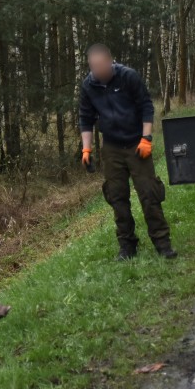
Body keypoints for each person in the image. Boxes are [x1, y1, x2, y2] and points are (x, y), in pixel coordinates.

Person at [79, 44, 177, 260]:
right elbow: (86, 118)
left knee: (149, 194)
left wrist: (146, 138)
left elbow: (146, 106)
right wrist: (86, 148)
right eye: (93, 67)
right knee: (117, 197)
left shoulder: (128, 77)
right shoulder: (88, 85)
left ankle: (162, 243)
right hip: (112, 148)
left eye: (100, 66)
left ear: (110, 61)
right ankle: (127, 246)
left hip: (136, 144)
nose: (97, 71)